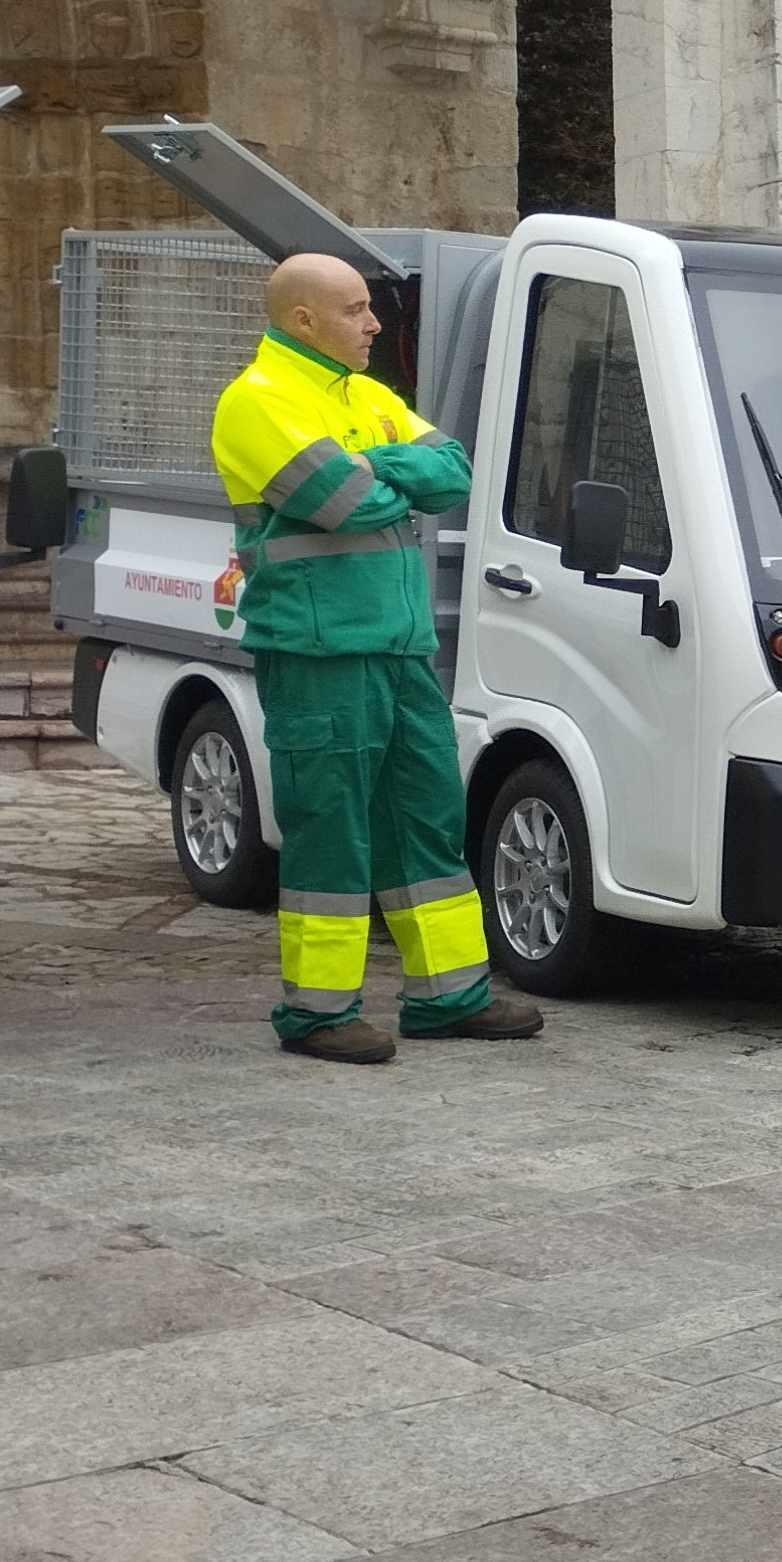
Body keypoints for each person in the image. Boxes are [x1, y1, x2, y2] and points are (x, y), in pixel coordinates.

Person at [213, 254, 541, 1061]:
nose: (375, 325)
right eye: (358, 311)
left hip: (397, 649)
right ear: (303, 321)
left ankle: (448, 999)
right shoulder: (255, 403)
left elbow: (454, 472)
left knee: (428, 821)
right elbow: (344, 503)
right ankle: (319, 1015)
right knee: (332, 833)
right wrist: (390, 470)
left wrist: (373, 463)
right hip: (319, 653)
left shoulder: (363, 395)